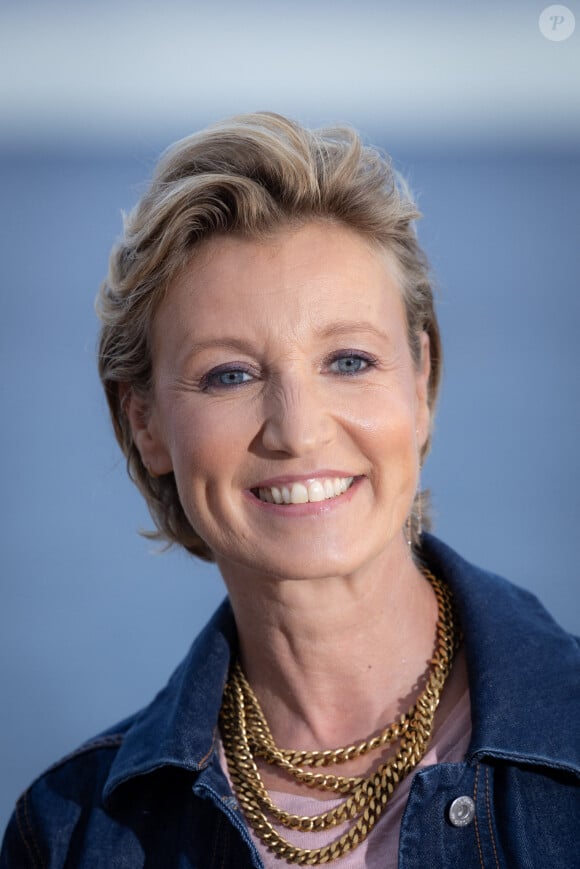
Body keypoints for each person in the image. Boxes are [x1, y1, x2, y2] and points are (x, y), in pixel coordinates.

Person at [1, 112, 578, 869]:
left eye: (348, 360)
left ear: (422, 378)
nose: (298, 430)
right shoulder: (71, 832)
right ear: (142, 420)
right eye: (230, 374)